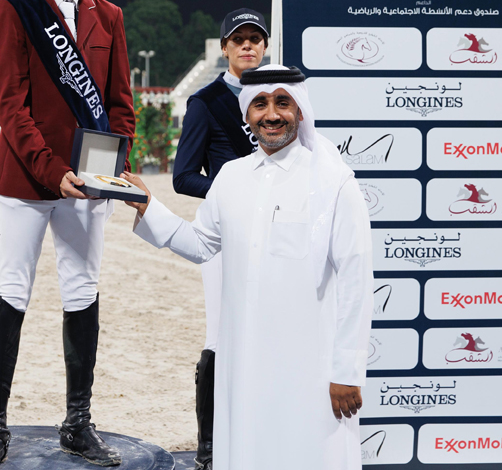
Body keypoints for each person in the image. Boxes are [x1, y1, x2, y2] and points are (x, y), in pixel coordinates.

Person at [123, 65, 373, 470]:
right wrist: (148, 207)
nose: (271, 114)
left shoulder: (333, 181)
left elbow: (357, 280)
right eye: (260, 104)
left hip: (307, 368)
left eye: (282, 103)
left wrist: (347, 370)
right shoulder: (230, 177)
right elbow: (202, 244)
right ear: (246, 114)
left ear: (300, 110)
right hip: (244, 364)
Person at [0, 0, 136, 470]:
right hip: (26, 180)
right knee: (12, 290)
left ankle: (78, 423)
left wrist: (113, 166)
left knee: (82, 291)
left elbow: (120, 106)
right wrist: (49, 169)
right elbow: (9, 106)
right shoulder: (13, 11)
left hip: (87, 185)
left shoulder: (108, 15)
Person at [170, 8, 267, 470]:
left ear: (265, 46)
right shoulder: (206, 102)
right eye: (239, 39)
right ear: (225, 47)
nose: (248, 46)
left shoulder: (278, 97)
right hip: (223, 238)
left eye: (255, 39)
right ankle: (208, 448)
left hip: (275, 235)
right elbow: (183, 177)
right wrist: (232, 189)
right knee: (219, 335)